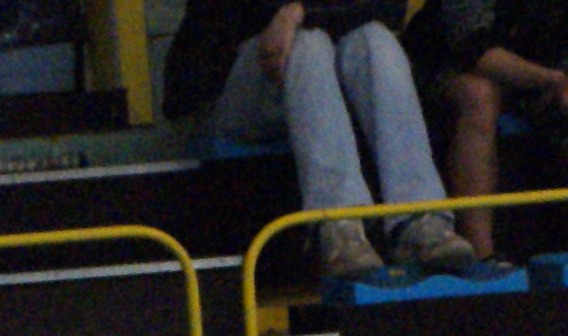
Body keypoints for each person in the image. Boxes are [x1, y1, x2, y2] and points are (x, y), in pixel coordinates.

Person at [163, 0, 480, 278]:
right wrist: (299, 15)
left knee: (375, 38)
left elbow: (390, 8)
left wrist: (298, 11)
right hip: (231, 88)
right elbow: (250, 13)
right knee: (308, 43)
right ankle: (338, 226)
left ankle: (420, 220)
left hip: (320, 86)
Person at [407, 0, 568, 259]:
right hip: (444, 66)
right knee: (479, 95)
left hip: (534, 71)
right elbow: (474, 50)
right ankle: (482, 255)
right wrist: (553, 80)